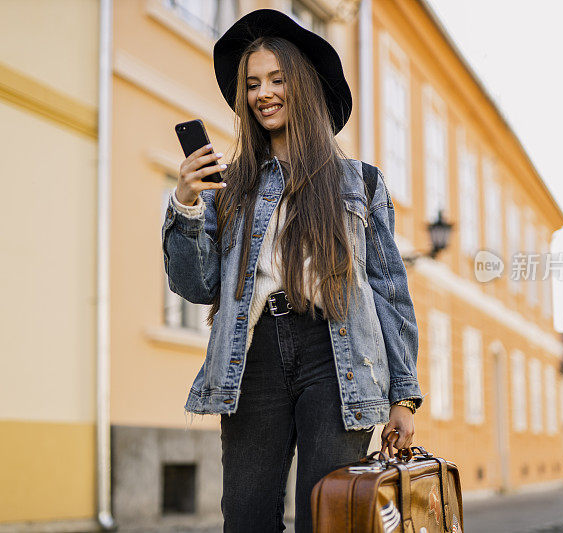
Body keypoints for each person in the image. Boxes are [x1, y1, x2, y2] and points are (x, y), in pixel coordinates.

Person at [162, 9, 424, 532]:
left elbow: (389, 293)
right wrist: (187, 203)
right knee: (246, 518)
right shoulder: (230, 187)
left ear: (301, 86)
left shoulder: (360, 183)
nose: (264, 93)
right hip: (252, 357)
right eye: (253, 83)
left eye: (277, 80)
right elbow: (197, 286)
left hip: (337, 354)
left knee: (326, 516)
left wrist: (403, 395)